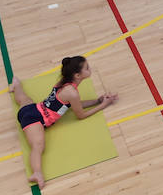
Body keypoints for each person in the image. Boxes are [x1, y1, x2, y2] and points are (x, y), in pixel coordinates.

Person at [11, 56, 117, 187]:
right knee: (38, 146)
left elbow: (75, 105)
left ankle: (16, 85)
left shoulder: (65, 82)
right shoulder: (72, 93)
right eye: (87, 68)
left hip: (32, 108)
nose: (90, 69)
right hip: (34, 120)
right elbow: (81, 115)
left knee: (23, 99)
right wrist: (104, 105)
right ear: (78, 75)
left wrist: (97, 101)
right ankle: (37, 172)